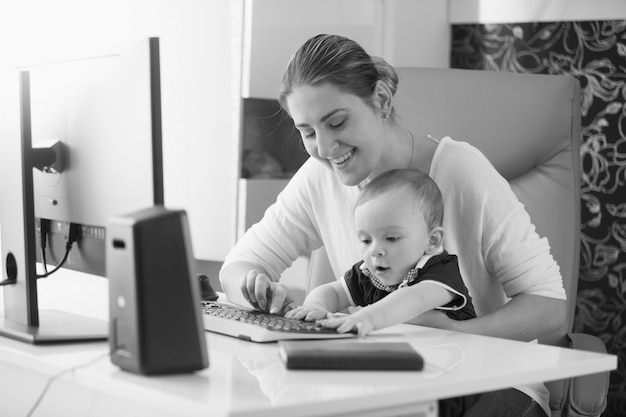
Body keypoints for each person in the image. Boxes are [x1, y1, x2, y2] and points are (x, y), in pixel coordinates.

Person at [219, 34, 566, 416]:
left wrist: (459, 335)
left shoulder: (460, 170)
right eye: (307, 131)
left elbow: (550, 307)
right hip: (387, 385)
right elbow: (239, 266)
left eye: (337, 122)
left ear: (381, 100)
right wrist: (255, 288)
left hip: (491, 381)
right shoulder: (319, 178)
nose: (325, 147)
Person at [285, 168, 476, 336]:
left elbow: (413, 300)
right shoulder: (370, 273)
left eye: (391, 238)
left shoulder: (440, 272)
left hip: (456, 364)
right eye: (366, 240)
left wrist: (366, 317)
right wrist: (315, 307)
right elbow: (334, 292)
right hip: (404, 363)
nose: (375, 250)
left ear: (432, 240)